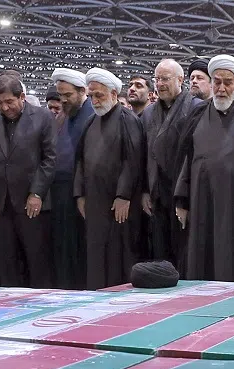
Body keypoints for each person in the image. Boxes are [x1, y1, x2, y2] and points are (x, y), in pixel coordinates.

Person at [174, 54, 234, 281]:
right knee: (201, 254)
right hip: (201, 200)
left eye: (227, 83)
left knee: (232, 258)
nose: (221, 88)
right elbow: (187, 159)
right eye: (216, 81)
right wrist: (182, 199)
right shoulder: (197, 113)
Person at [0, 73, 56, 288]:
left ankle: (42, 303)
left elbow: (49, 160)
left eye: (9, 102)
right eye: (0, 102)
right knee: (6, 261)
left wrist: (37, 193)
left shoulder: (43, 117)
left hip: (32, 203)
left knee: (37, 260)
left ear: (22, 97)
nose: (4, 107)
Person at [74, 68, 146, 290]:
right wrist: (80, 194)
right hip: (95, 202)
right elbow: (80, 161)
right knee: (96, 253)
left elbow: (133, 161)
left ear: (114, 94)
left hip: (119, 204)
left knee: (118, 253)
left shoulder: (128, 120)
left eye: (100, 95)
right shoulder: (90, 122)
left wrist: (123, 195)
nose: (95, 101)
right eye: (92, 95)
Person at [141, 59, 202, 269]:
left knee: (183, 251)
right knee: (160, 251)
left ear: (180, 79)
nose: (160, 84)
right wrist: (144, 191)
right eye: (157, 79)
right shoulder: (148, 113)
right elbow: (143, 155)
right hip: (157, 193)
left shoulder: (196, 108)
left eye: (165, 79)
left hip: (183, 191)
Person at [50, 67, 94, 290]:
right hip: (60, 192)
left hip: (82, 193)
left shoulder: (93, 114)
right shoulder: (62, 117)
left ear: (82, 91)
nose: (64, 100)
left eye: (68, 95)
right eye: (61, 96)